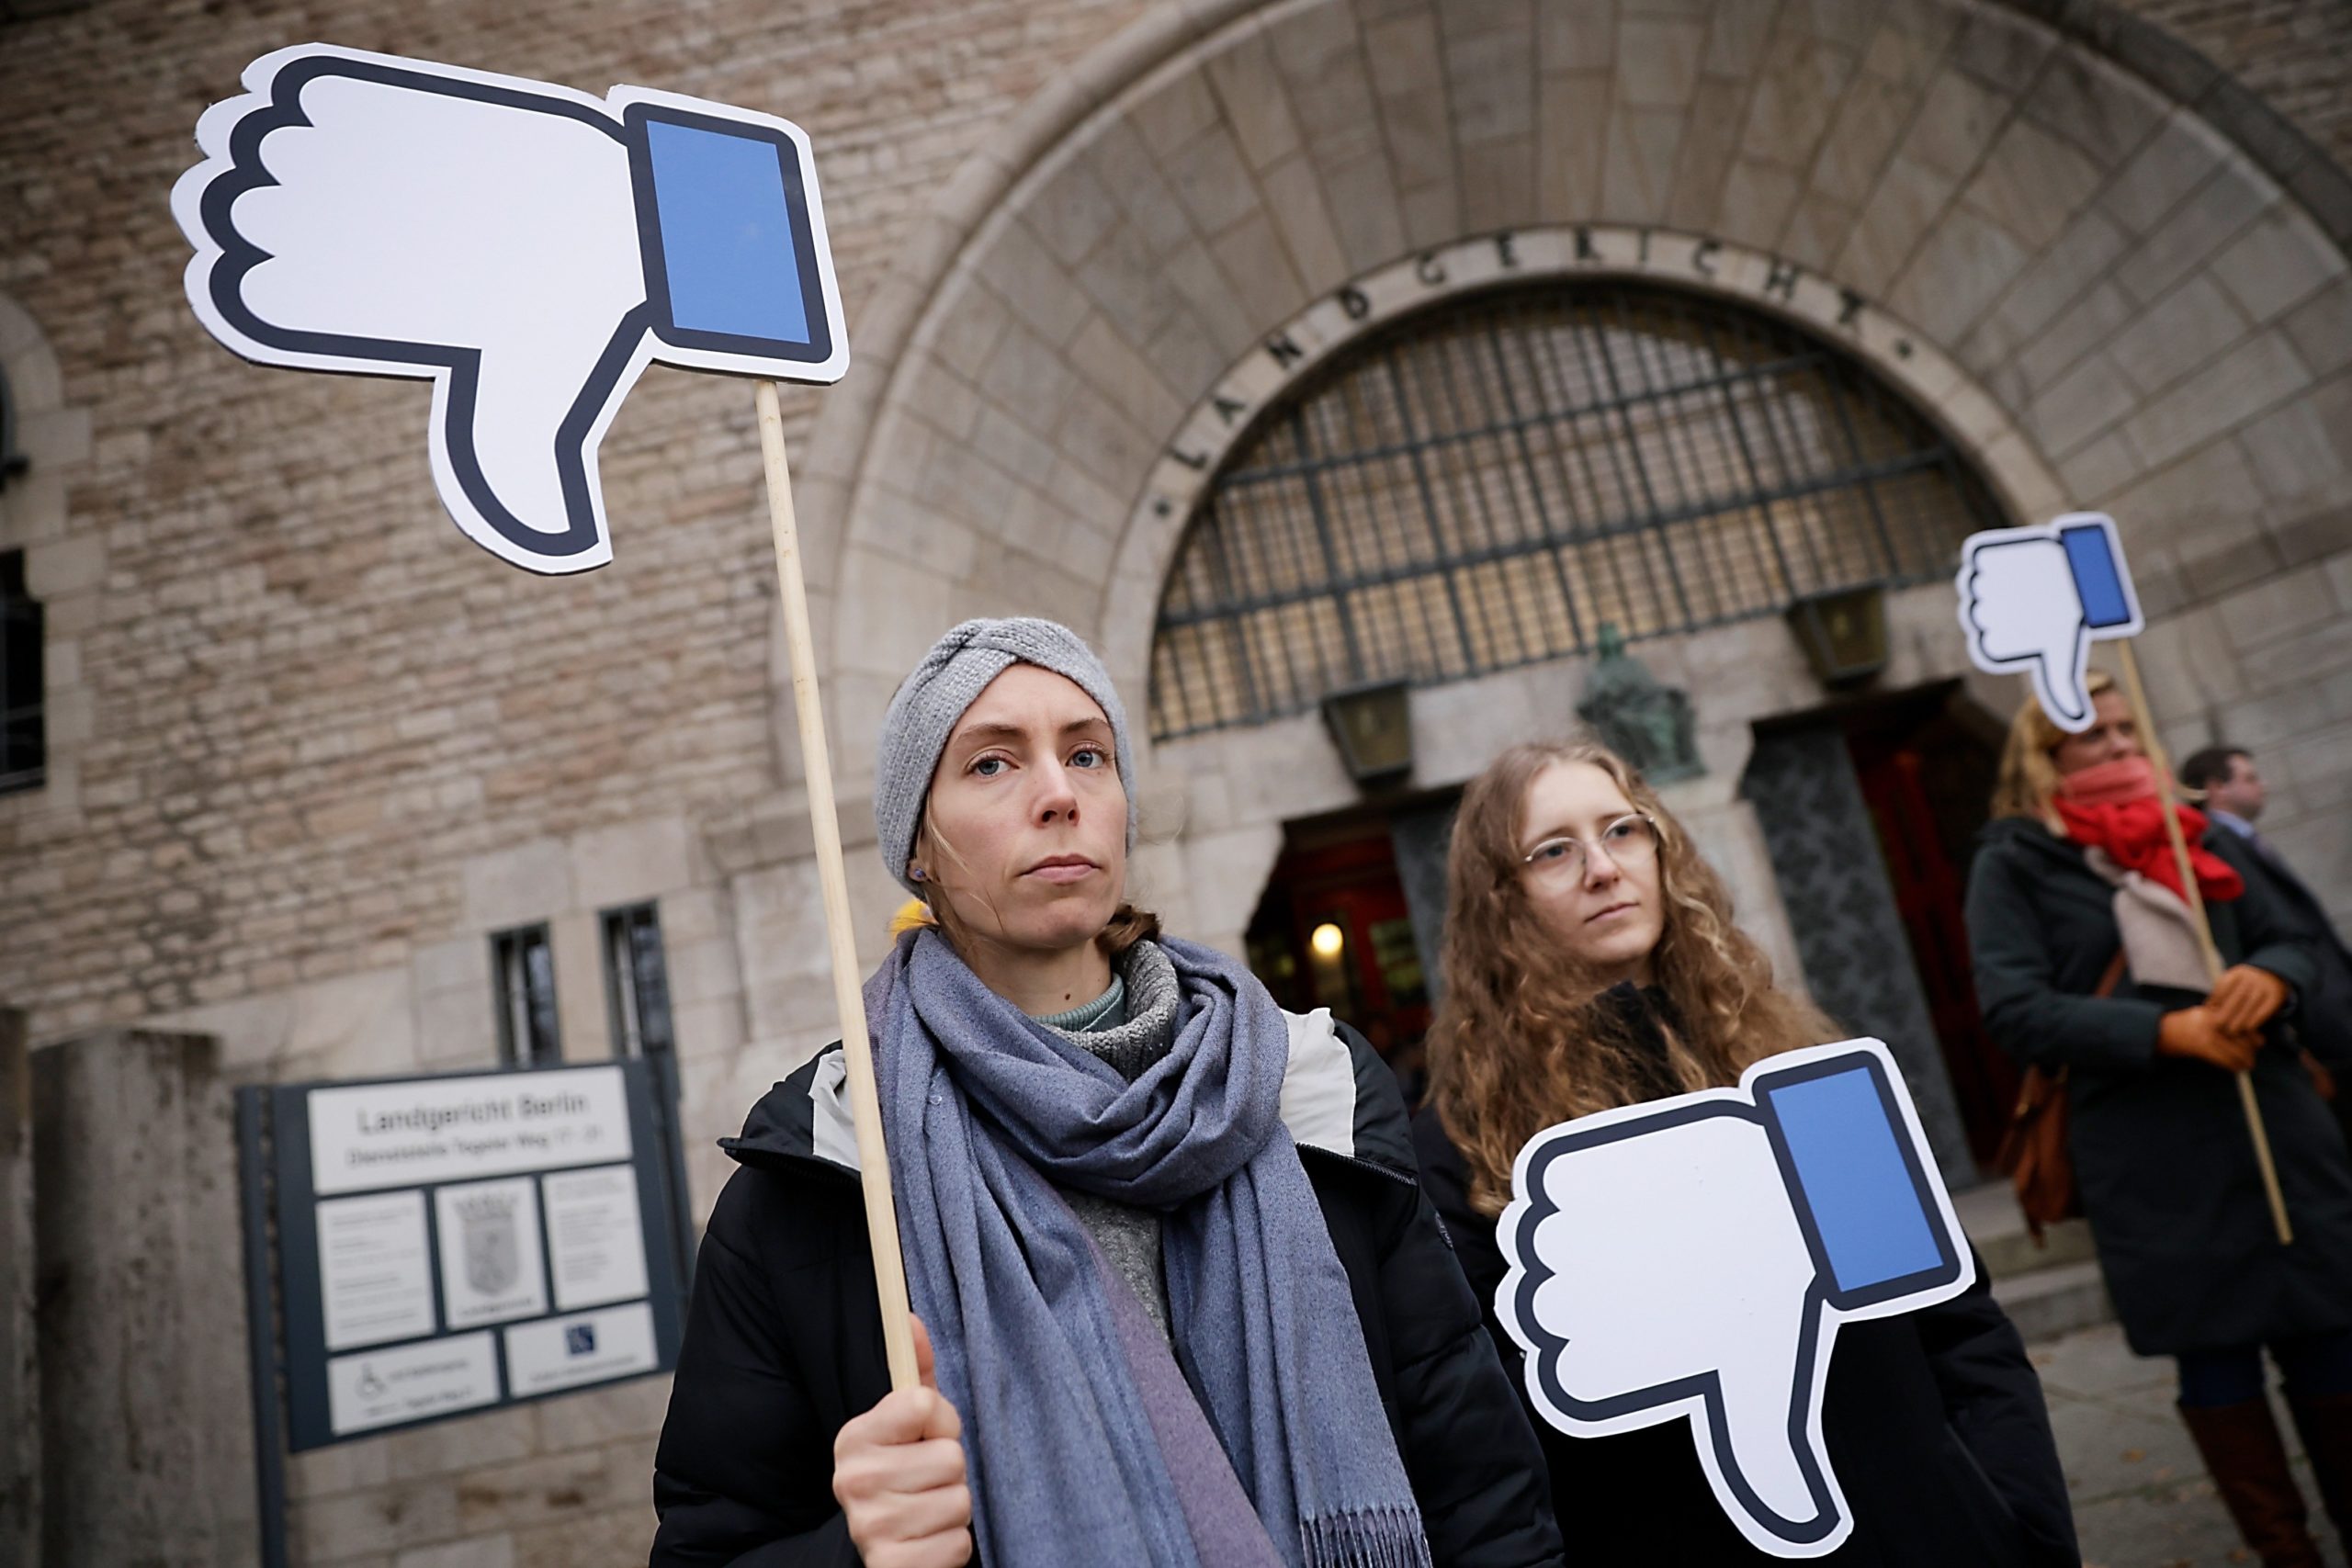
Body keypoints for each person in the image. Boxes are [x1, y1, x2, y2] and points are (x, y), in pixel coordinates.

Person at [650, 617, 1563, 1568]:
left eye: (1087, 753)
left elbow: (1476, 1481)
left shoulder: (1309, 1089)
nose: (1057, 794)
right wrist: (856, 1550)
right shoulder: (826, 1170)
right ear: (916, 843)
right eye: (991, 765)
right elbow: (711, 1546)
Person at [1413, 739, 2076, 1566]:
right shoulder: (1472, 1148)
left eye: (1623, 830)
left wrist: (2020, 1518)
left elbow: (1957, 1328)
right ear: (1498, 899)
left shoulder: (1793, 1072)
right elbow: (1494, 1443)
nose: (1602, 867)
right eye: (1553, 850)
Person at [1966, 674, 2352, 1567]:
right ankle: (2284, 1551)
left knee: (2332, 1341)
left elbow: (2292, 935)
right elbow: (2015, 1008)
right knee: (2215, 1360)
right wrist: (2163, 1029)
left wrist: (2277, 977)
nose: (2114, 744)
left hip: (2277, 1134)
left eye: (2124, 726)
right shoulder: (2016, 860)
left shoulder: (2201, 829)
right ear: (2044, 753)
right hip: (2152, 1159)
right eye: (2089, 733)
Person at [2181, 744, 2352, 1122]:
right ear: (2216, 787)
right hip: (2314, 1026)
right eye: (2250, 778)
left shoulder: (2240, 840)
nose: (2265, 785)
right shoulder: (2211, 843)